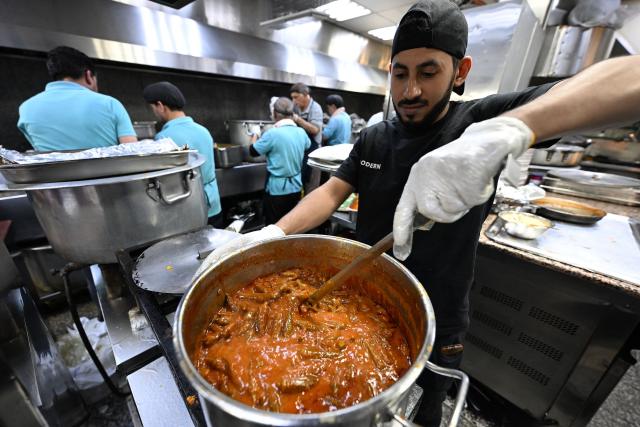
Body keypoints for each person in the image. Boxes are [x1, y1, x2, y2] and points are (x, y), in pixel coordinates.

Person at [198, 1, 640, 425]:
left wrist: (515, 127)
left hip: (440, 305)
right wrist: (273, 231)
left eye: (429, 73)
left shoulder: (480, 123)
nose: (410, 91)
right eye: (400, 73)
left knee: (432, 391)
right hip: (355, 291)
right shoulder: (374, 138)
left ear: (460, 72)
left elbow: (629, 76)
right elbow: (332, 192)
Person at [18, 46, 137, 151]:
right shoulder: (109, 103)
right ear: (89, 76)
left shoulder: (26, 108)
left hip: (53, 177)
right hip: (112, 175)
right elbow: (132, 152)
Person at [143, 81, 222, 227]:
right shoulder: (203, 130)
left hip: (189, 207)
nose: (154, 111)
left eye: (153, 107)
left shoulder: (164, 138)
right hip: (213, 203)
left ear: (160, 106)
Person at [248, 97, 310, 225]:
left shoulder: (273, 134)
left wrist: (255, 134)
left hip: (277, 190)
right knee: (292, 226)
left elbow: (253, 151)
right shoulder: (301, 132)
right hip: (296, 187)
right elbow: (307, 146)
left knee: (275, 228)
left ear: (275, 114)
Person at [289, 82, 323, 193]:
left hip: (314, 153)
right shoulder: (296, 107)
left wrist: (298, 119)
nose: (294, 101)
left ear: (305, 94)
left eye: (296, 97)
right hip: (301, 151)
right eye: (292, 98)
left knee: (311, 187)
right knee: (300, 183)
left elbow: (315, 130)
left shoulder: (315, 108)